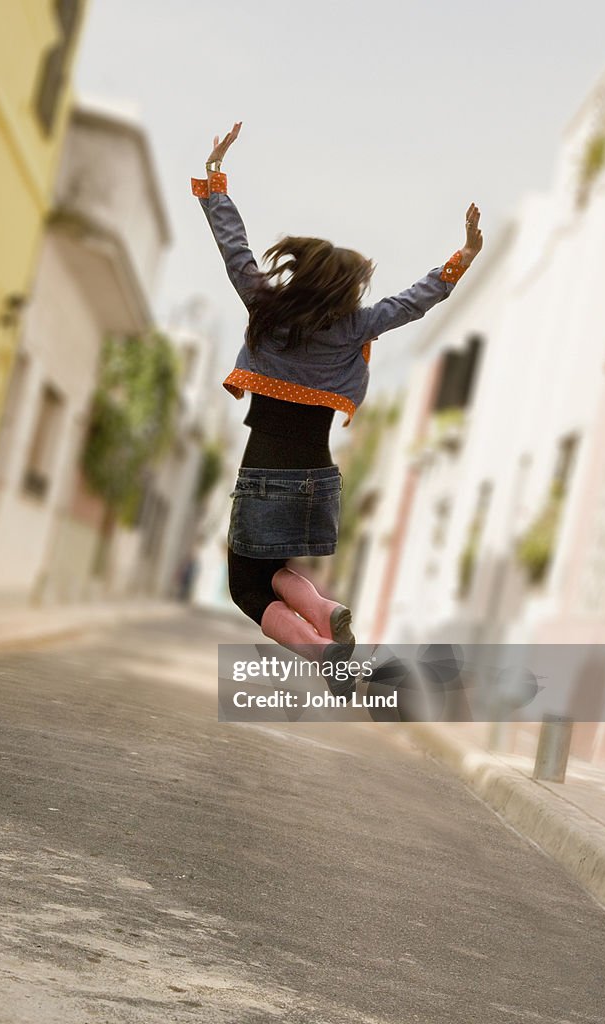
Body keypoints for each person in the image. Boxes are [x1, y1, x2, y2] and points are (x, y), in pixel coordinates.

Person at [194, 122, 482, 673]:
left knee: (246, 589)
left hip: (265, 467)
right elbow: (412, 303)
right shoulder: (357, 325)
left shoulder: (267, 307)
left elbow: (237, 249)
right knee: (276, 573)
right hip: (317, 474)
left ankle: (326, 652)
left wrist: (215, 180)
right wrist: (463, 256)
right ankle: (326, 610)